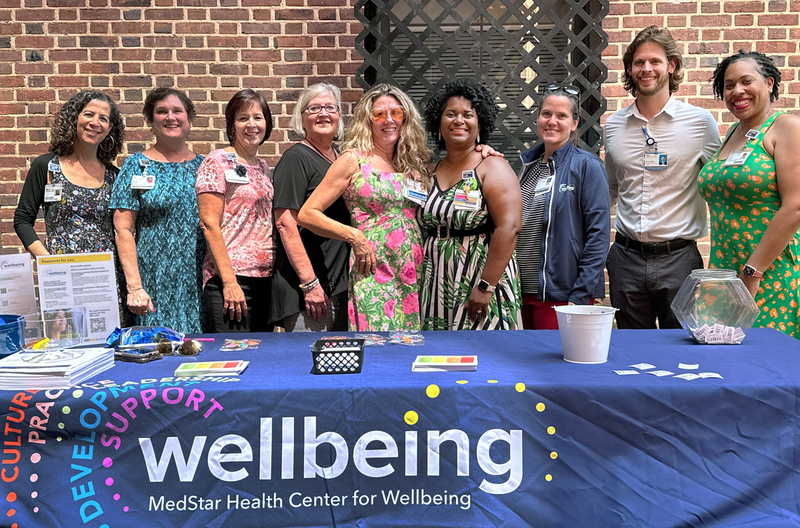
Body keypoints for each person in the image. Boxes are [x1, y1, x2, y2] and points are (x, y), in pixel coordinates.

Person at [604, 26, 721, 329]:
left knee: (681, 352)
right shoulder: (614, 125)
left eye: (655, 61)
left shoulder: (699, 123)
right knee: (631, 353)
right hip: (626, 259)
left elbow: (719, 183)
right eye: (638, 62)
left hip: (679, 259)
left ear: (671, 66)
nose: (646, 69)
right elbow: (610, 190)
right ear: (629, 69)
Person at [298, 84, 429, 331]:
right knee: (377, 348)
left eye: (396, 113)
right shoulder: (353, 160)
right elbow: (307, 214)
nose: (388, 120)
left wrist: (482, 150)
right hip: (373, 271)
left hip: (413, 272)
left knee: (411, 349)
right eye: (379, 114)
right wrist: (354, 236)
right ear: (367, 120)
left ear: (406, 118)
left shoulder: (412, 163)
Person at [698, 51, 800, 338]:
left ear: (769, 83)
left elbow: (796, 206)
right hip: (725, 272)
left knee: (767, 365)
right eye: (729, 85)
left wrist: (753, 272)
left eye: (746, 81)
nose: (737, 91)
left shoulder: (786, 127)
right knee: (728, 364)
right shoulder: (734, 132)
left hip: (767, 271)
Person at [418, 79, 522, 330]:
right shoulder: (428, 171)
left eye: (468, 115)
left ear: (480, 123)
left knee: (486, 355)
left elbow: (510, 227)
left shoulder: (492, 166)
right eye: (450, 114)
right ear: (438, 123)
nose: (458, 120)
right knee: (440, 359)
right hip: (437, 279)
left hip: (481, 276)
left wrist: (486, 286)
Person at [110, 88, 205, 334]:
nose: (170, 117)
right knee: (159, 350)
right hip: (153, 278)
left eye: (177, 111)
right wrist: (134, 287)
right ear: (151, 122)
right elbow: (123, 228)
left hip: (199, 279)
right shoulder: (135, 165)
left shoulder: (205, 166)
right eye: (161, 112)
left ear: (189, 118)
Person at [516, 86, 610, 329]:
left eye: (562, 116)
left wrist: (579, 295)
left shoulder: (587, 166)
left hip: (563, 294)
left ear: (575, 123)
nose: (552, 122)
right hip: (522, 291)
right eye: (546, 114)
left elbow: (598, 236)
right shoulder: (528, 167)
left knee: (555, 365)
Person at [271, 83, 350, 332]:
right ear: (301, 118)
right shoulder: (297, 158)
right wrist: (309, 284)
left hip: (337, 285)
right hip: (310, 294)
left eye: (330, 107)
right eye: (314, 108)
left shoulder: (340, 158)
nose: (323, 114)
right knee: (311, 363)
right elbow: (285, 222)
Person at [196, 89, 275, 333]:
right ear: (232, 125)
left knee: (260, 360)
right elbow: (209, 224)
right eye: (242, 118)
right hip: (230, 280)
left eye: (257, 118)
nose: (251, 125)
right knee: (231, 358)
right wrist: (229, 282)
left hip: (264, 279)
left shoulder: (262, 166)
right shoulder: (217, 161)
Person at [14, 90, 124, 256]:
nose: (95, 122)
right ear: (75, 119)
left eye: (103, 118)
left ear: (109, 129)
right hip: (61, 274)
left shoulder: (115, 176)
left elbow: (125, 229)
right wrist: (46, 261)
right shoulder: (47, 166)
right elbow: (22, 219)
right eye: (89, 114)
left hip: (106, 276)